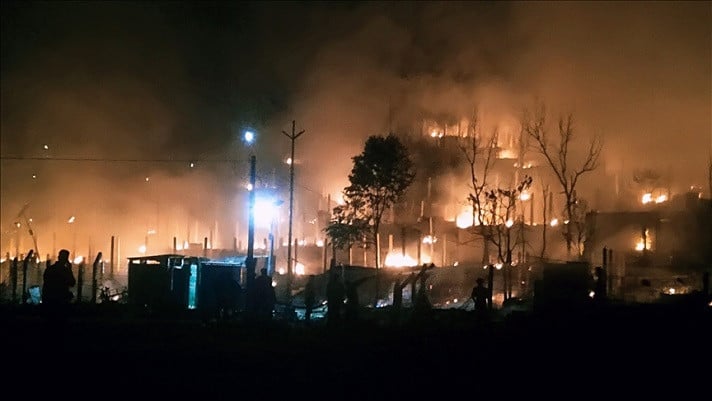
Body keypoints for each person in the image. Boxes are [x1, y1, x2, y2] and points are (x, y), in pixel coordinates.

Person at [41, 249, 76, 323]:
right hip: (61, 301)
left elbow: (46, 283)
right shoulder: (65, 271)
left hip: (50, 301)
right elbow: (72, 283)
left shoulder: (50, 269)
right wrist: (70, 269)